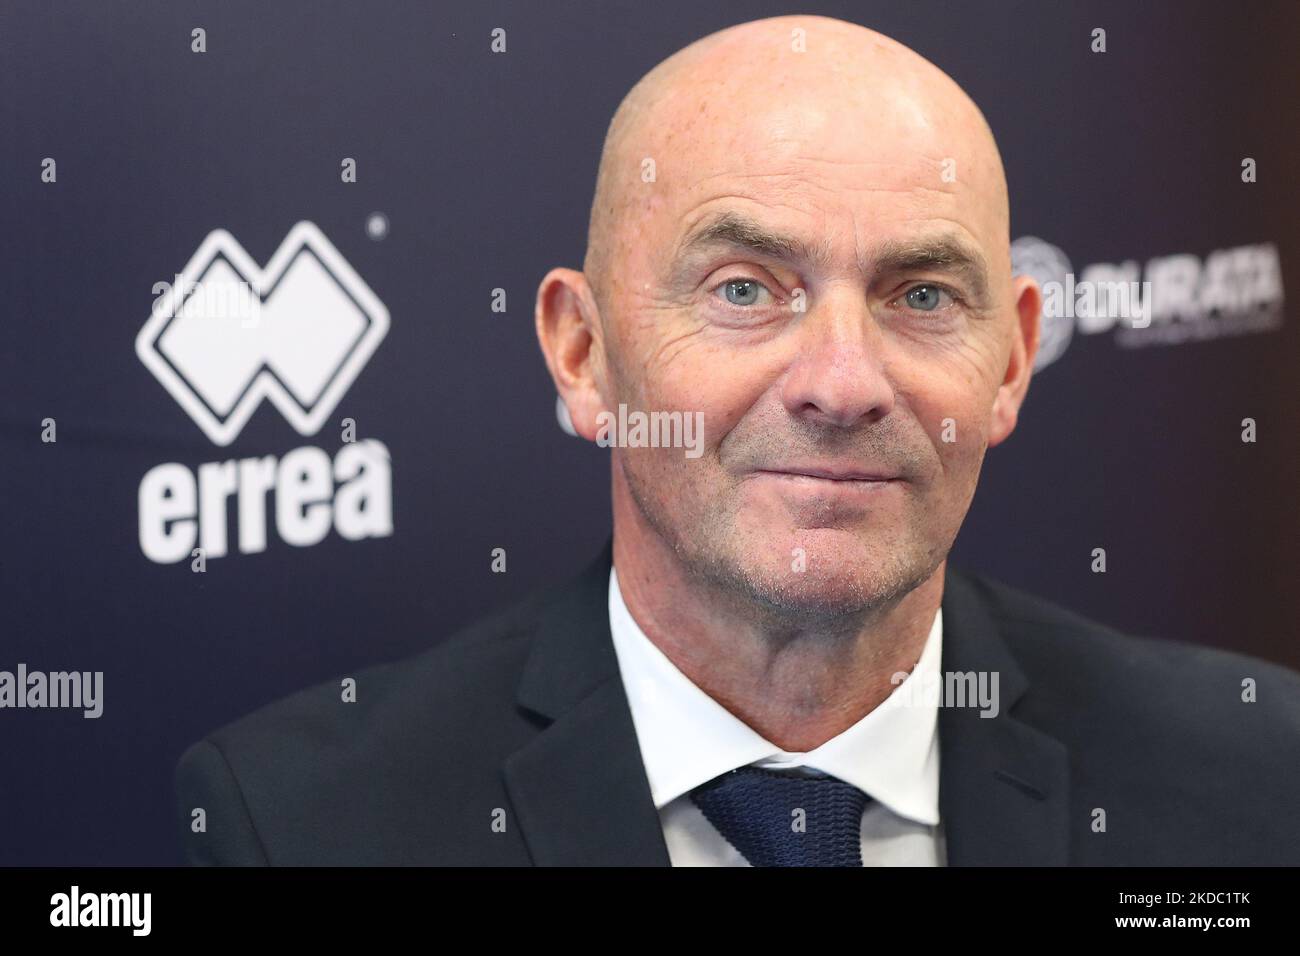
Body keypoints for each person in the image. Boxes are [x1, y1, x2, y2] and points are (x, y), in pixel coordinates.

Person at [174, 14, 1300, 866]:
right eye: (746, 288)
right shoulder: (301, 826)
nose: (843, 383)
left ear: (1009, 362)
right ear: (583, 352)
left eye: (919, 297)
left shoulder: (1256, 775)